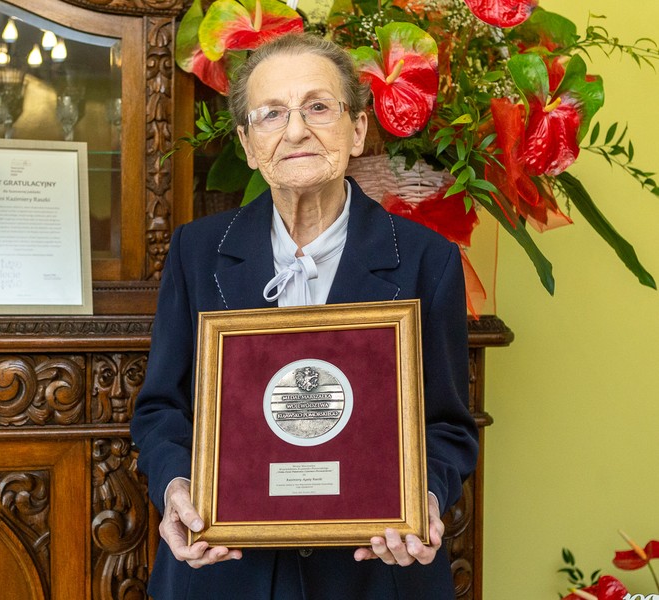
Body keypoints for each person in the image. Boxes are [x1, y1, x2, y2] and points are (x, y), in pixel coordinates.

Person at [130, 32, 478, 600]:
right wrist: (176, 487)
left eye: (318, 106)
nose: (295, 131)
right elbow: (161, 409)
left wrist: (426, 500)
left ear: (358, 128)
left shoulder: (425, 258)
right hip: (225, 574)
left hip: (373, 574)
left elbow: (447, 426)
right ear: (246, 143)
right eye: (271, 114)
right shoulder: (197, 252)